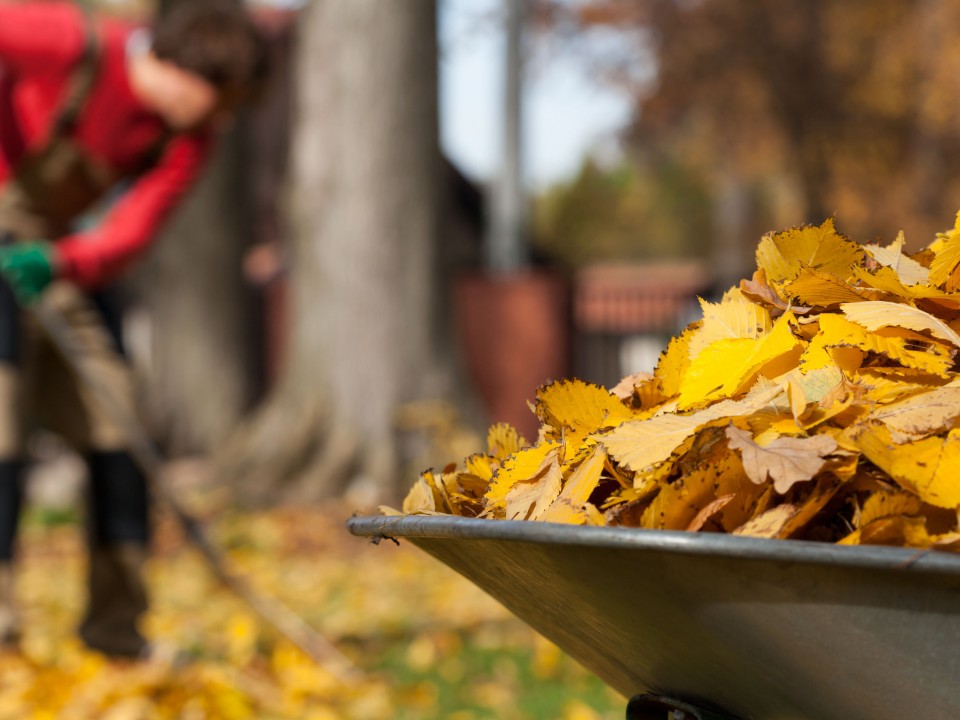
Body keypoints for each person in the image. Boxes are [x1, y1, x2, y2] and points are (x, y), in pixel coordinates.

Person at [0, 0, 267, 657]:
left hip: (52, 256)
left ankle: (118, 631)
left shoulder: (186, 137)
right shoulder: (60, 39)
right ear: (185, 70)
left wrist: (60, 260)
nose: (223, 117)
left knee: (119, 423)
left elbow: (131, 231)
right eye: (222, 98)